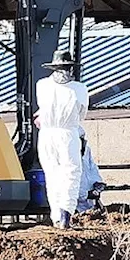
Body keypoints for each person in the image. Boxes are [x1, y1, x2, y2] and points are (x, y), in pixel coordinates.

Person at [35, 51, 88, 228]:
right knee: (71, 173)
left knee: (53, 175)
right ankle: (65, 213)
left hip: (47, 134)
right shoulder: (79, 88)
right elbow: (82, 114)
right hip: (67, 132)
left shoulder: (41, 85)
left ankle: (57, 215)